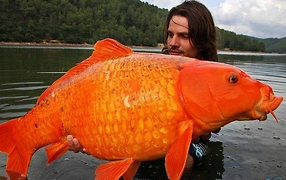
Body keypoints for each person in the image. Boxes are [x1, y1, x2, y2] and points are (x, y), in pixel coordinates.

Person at [67, 0, 220, 174]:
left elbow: (211, 128)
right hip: (145, 141)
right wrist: (89, 135)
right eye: (170, 35)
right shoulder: (151, 69)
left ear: (202, 41)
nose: (173, 43)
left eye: (184, 36)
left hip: (190, 147)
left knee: (187, 164)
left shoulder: (213, 77)